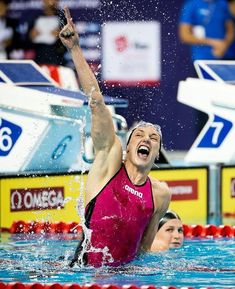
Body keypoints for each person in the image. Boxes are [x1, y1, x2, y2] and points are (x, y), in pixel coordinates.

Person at [59, 7, 171, 268]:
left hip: (125, 278)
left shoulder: (161, 193)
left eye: (153, 138)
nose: (146, 139)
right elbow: (96, 101)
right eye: (139, 135)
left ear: (157, 154)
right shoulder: (109, 165)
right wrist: (75, 49)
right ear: (127, 145)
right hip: (83, 275)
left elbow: (143, 249)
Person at [28, 0, 66, 65]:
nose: (51, 2)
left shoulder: (63, 18)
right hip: (39, 57)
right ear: (43, 1)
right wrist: (31, 36)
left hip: (57, 58)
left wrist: (61, 35)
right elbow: (27, 42)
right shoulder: (36, 17)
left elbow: (71, 38)